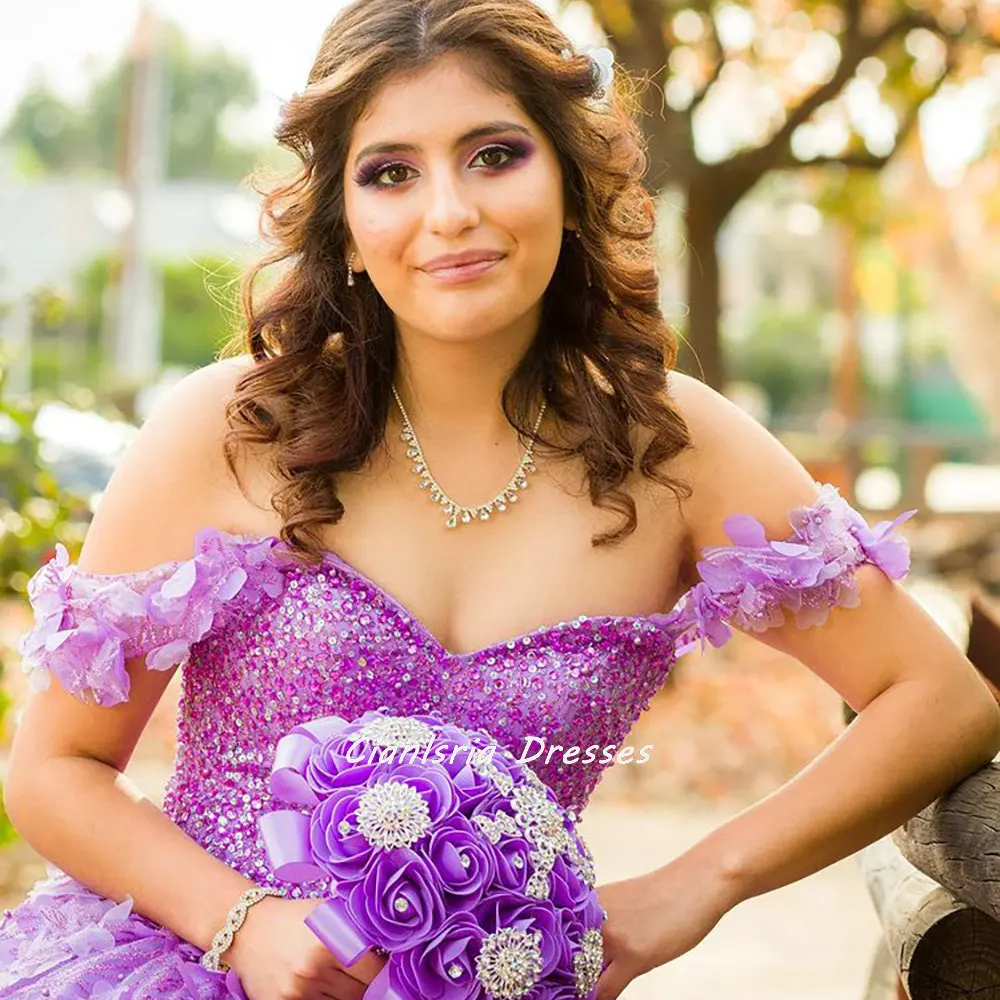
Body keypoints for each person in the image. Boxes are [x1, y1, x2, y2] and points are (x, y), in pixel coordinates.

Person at [2, 1, 998, 998]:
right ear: (345, 227)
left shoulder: (675, 451)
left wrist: (698, 883)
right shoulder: (224, 431)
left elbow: (939, 700)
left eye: (494, 154)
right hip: (188, 966)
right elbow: (53, 771)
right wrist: (243, 923)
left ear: (568, 184)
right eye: (391, 172)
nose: (450, 213)